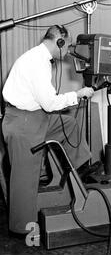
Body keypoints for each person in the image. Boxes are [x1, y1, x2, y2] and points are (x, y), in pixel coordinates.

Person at [2, 25, 95, 236]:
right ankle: (23, 230)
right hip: (23, 122)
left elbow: (45, 102)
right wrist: (78, 94)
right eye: (67, 44)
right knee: (25, 179)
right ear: (59, 41)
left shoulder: (41, 59)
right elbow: (50, 103)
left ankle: (77, 166)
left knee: (69, 125)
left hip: (36, 117)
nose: (68, 49)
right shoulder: (37, 62)